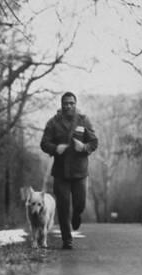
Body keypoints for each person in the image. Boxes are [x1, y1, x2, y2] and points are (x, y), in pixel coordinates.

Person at [40, 92, 98, 249]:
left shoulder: (84, 120)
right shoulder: (53, 123)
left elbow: (94, 142)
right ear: (61, 105)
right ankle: (67, 240)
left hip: (80, 172)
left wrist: (84, 147)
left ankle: (77, 214)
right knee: (63, 207)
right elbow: (44, 143)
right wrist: (55, 148)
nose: (68, 106)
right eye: (65, 103)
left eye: (71, 103)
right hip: (60, 172)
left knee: (79, 204)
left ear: (75, 104)